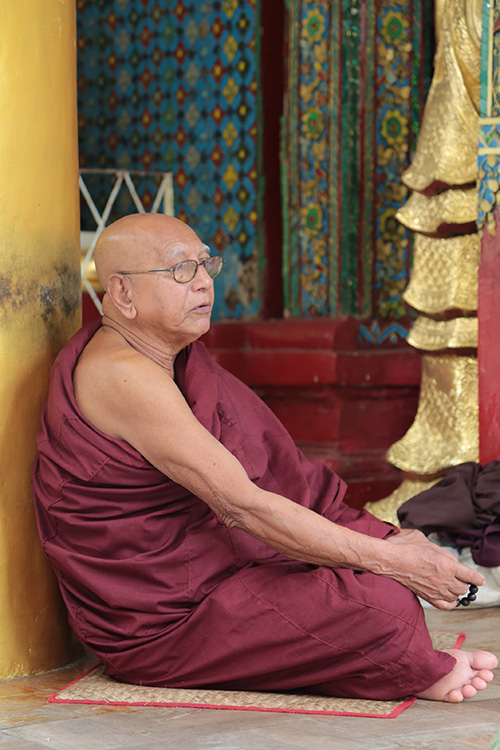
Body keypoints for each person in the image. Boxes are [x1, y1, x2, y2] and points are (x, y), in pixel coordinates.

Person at [32, 213, 497, 703]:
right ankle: (405, 665)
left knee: (381, 563)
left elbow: (286, 482)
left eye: (206, 264)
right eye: (181, 271)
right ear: (122, 294)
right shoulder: (122, 376)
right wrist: (391, 563)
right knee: (382, 601)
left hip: (221, 570)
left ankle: (384, 659)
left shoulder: (179, 362)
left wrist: (387, 542)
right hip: (164, 620)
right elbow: (243, 506)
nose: (205, 283)